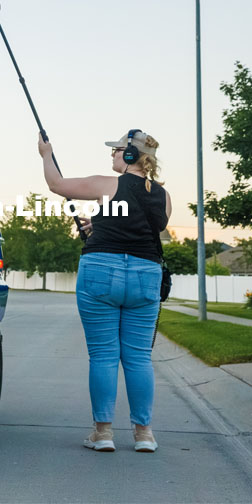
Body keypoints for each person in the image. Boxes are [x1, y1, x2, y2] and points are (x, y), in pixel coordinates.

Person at [38, 129, 171, 453]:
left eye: (116, 150)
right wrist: (99, 224)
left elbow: (57, 185)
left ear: (129, 155)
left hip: (101, 270)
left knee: (103, 356)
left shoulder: (107, 184)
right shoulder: (163, 195)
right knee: (139, 358)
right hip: (145, 274)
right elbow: (146, 229)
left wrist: (45, 154)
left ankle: (104, 432)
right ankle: (144, 435)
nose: (111, 155)